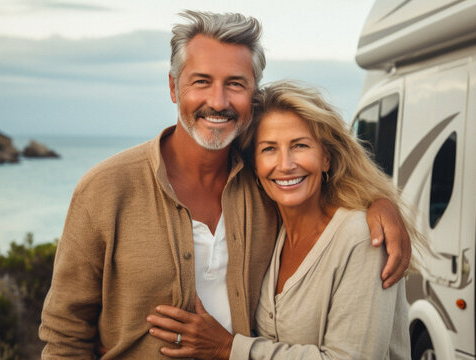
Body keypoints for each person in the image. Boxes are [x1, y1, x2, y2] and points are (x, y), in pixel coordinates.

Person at [39, 11, 411, 359]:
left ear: (253, 93)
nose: (217, 102)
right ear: (173, 87)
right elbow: (65, 331)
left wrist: (381, 205)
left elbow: (331, 193)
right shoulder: (106, 189)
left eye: (235, 84)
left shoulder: (267, 183)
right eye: (201, 82)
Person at [145, 81, 420, 359]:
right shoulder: (268, 227)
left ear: (326, 158)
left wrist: (227, 348)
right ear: (254, 164)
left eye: (300, 145)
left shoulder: (362, 237)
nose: (286, 164)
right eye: (269, 149)